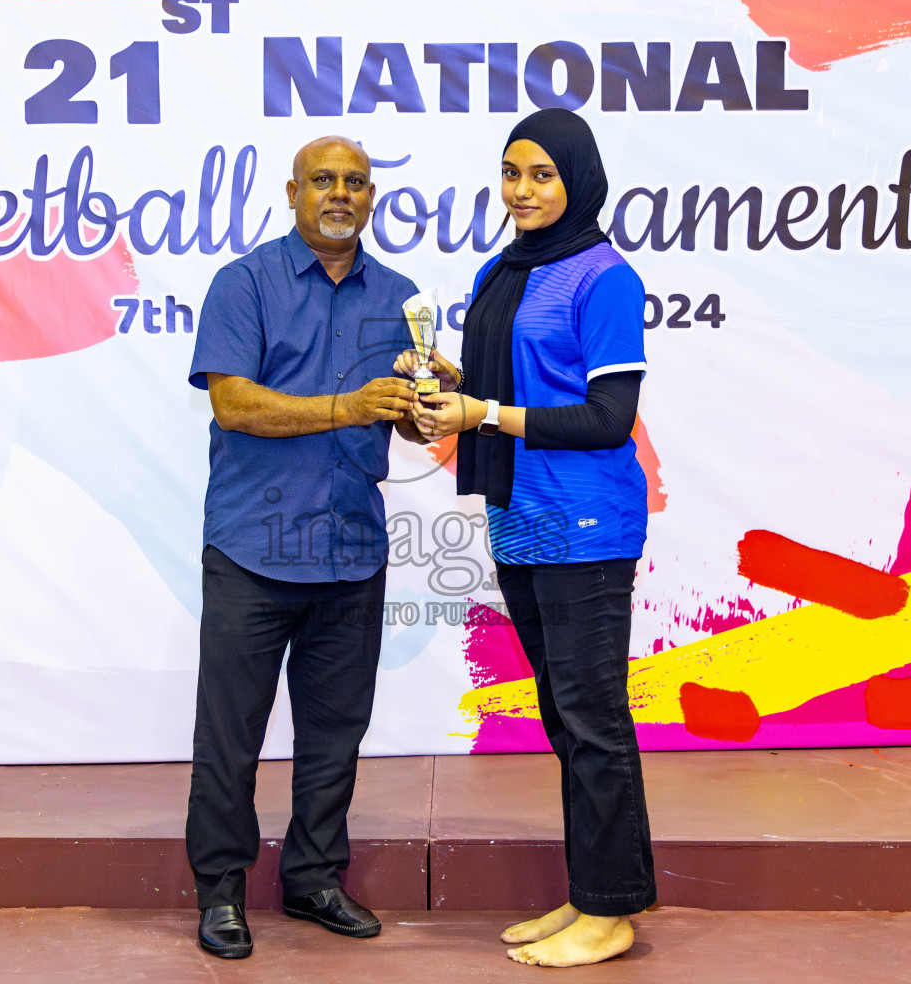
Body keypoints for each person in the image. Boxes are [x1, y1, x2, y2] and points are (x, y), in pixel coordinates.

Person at [405, 108, 656, 967]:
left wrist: (483, 414)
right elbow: (498, 384)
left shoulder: (605, 278)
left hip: (587, 527)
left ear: (576, 178)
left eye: (542, 174)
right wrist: (448, 382)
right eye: (512, 172)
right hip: (522, 521)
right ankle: (589, 895)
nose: (523, 190)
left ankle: (611, 911)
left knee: (594, 720)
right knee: (565, 718)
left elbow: (607, 418)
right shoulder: (503, 269)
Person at [185, 135, 427, 959]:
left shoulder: (399, 298)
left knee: (334, 733)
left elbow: (395, 410)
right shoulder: (243, 284)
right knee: (232, 735)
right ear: (292, 192)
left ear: (372, 198)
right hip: (254, 548)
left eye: (357, 182)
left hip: (352, 549)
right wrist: (348, 406)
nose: (340, 193)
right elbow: (234, 404)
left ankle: (315, 877)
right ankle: (220, 892)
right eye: (323, 180)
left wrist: (424, 402)